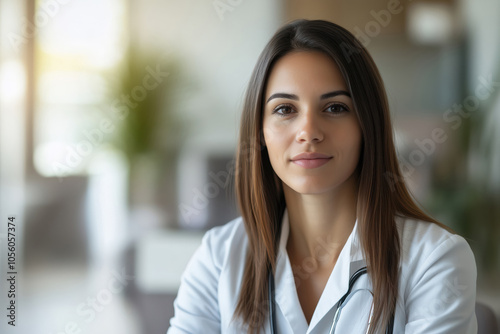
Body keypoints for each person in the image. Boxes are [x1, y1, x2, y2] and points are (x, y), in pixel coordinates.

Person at [167, 19, 477, 334]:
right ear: (259, 131)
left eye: (335, 108)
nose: (309, 132)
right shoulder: (218, 258)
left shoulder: (436, 259)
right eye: (285, 110)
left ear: (366, 125)